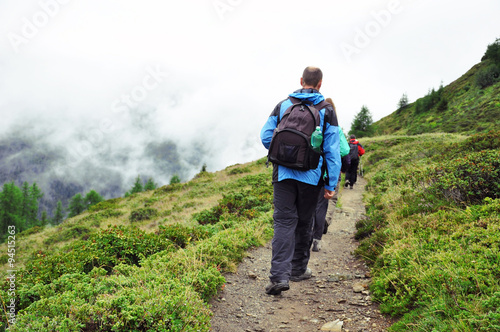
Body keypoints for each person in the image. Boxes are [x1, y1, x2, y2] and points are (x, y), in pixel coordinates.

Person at [260, 66, 341, 295]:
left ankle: (278, 277)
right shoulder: (326, 110)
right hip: (311, 175)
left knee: (284, 222)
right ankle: (297, 270)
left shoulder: (284, 104)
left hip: (283, 174)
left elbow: (266, 136)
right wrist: (331, 184)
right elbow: (332, 152)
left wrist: (285, 153)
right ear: (320, 84)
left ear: (301, 80)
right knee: (304, 222)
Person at [311, 98, 350, 252]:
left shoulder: (314, 126)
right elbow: (345, 150)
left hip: (313, 171)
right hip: (329, 172)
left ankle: (306, 236)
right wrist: (332, 153)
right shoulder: (337, 129)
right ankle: (317, 240)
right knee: (324, 204)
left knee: (311, 205)